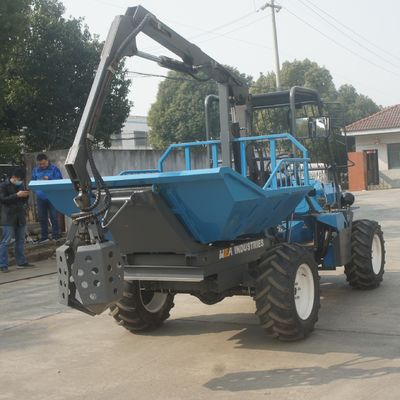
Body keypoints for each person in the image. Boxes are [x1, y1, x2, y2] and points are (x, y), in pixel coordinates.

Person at [0, 168, 32, 272]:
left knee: (20, 240)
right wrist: (16, 195)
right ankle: (3, 264)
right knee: (6, 241)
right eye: (19, 179)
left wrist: (26, 195)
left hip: (20, 216)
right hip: (8, 217)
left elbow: (23, 201)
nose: (20, 181)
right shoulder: (3, 186)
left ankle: (21, 262)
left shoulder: (20, 185)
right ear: (13, 177)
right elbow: (3, 199)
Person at [31, 153, 63, 242]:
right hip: (40, 197)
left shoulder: (54, 169)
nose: (42, 165)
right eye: (40, 164)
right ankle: (44, 236)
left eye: (43, 163)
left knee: (54, 216)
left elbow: (60, 180)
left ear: (47, 160)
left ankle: (56, 235)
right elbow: (33, 182)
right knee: (42, 217)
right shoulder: (35, 170)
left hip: (52, 196)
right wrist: (36, 191)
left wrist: (49, 179)